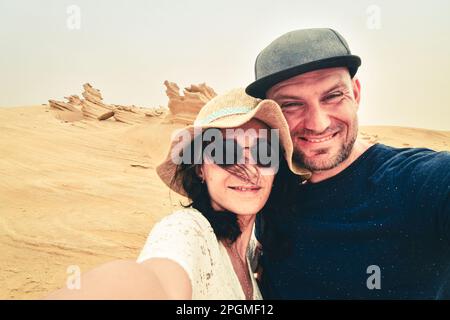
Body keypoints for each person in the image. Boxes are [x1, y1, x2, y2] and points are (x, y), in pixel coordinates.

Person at [245, 28, 450, 299]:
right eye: (291, 105)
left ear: (355, 93)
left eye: (332, 96)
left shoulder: (420, 182)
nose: (318, 123)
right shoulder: (263, 190)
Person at [46, 88, 308, 300]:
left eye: (264, 153)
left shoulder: (251, 246)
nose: (248, 169)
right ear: (200, 170)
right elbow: (150, 281)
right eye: (226, 152)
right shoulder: (186, 231)